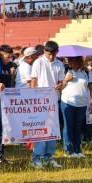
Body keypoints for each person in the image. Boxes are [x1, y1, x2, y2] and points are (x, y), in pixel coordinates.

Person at [30, 41, 64, 169]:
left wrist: (61, 85)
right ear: (44, 51)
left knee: (52, 129)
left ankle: (49, 157)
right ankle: (37, 158)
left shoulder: (59, 64)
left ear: (57, 53)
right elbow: (34, 80)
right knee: (40, 130)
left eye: (53, 54)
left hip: (54, 101)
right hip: (40, 101)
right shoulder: (38, 62)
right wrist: (33, 98)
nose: (51, 57)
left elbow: (61, 82)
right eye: (49, 54)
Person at [59, 56, 92, 158]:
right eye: (68, 60)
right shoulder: (65, 70)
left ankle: (77, 149)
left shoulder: (86, 72)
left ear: (78, 61)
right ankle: (68, 150)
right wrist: (66, 80)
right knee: (68, 126)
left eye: (72, 60)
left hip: (82, 104)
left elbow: (91, 88)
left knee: (78, 127)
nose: (69, 62)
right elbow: (58, 87)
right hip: (67, 102)